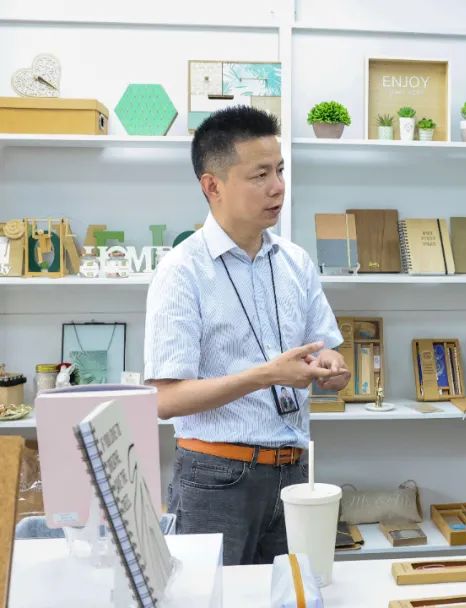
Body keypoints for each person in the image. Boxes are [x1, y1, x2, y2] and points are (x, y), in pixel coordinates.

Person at [144, 106, 351, 566]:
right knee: (211, 596)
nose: (277, 187)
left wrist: (333, 367)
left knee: (295, 593)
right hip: (215, 478)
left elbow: (327, 349)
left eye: (280, 170)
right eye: (260, 175)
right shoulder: (181, 271)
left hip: (295, 473)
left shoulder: (296, 262)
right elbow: (164, 399)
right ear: (212, 186)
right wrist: (265, 375)